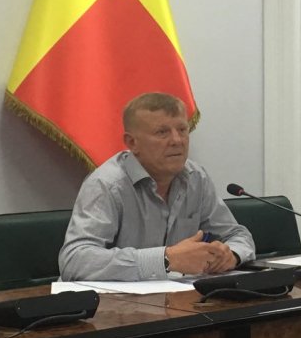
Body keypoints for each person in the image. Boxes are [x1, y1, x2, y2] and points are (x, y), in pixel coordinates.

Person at [59, 92, 255, 281]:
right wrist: (166, 260)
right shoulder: (107, 184)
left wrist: (231, 255)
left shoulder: (196, 177)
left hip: (176, 296)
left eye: (182, 130)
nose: (177, 140)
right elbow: (74, 261)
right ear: (132, 143)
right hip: (113, 302)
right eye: (162, 132)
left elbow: (237, 235)